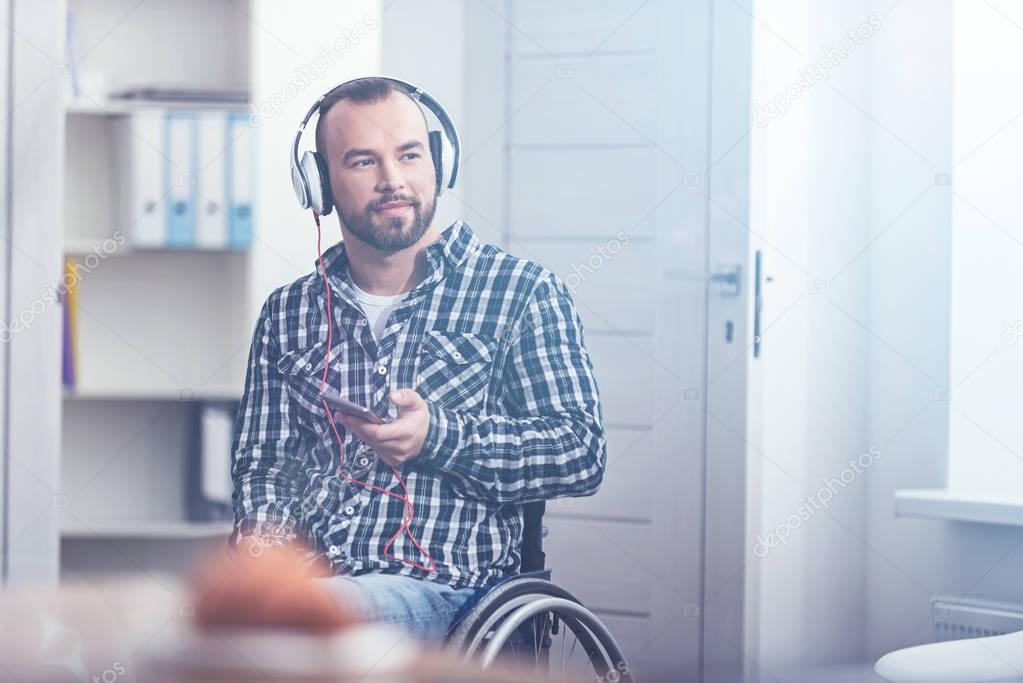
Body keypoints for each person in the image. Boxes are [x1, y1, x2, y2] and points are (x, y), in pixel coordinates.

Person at [220, 76, 607, 643]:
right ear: (320, 184)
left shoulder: (521, 292)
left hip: (457, 597)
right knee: (181, 630)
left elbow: (580, 452)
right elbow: (267, 469)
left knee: (294, 627)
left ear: (438, 161)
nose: (392, 180)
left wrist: (438, 438)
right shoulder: (290, 312)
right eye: (362, 162)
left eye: (409, 154)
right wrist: (268, 565)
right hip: (313, 589)